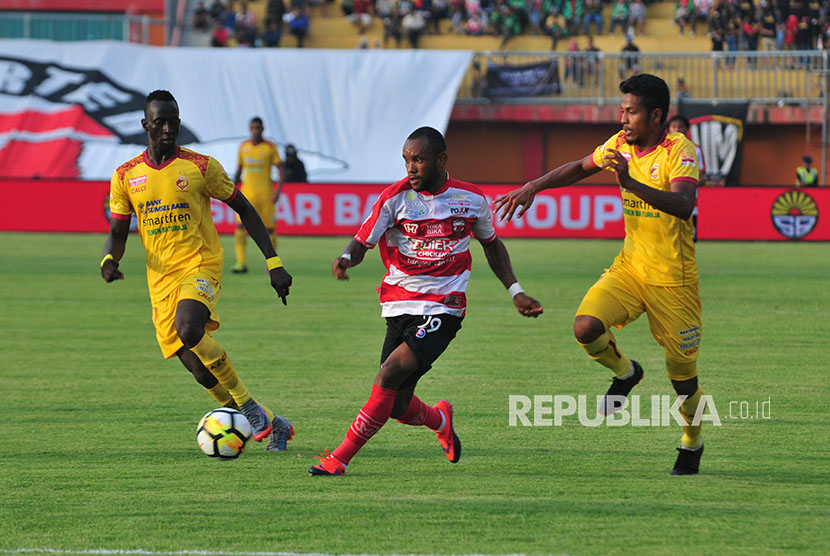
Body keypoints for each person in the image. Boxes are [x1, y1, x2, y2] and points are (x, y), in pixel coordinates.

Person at [495, 75, 708, 476]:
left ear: (656, 115)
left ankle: (692, 442)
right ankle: (626, 373)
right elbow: (579, 167)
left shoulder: (679, 149)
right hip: (630, 268)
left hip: (673, 281)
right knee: (585, 326)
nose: (623, 118)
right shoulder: (619, 144)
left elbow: (683, 203)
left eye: (631, 111)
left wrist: (630, 182)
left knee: (682, 379)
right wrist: (534, 186)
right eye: (622, 110)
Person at [309, 126, 543, 476]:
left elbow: (491, 245)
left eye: (418, 159)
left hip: (444, 306)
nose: (411, 167)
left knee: (388, 374)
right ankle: (439, 419)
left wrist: (516, 291)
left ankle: (339, 458)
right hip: (399, 304)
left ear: (440, 160)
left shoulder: (471, 199)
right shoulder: (395, 198)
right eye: (406, 160)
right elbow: (362, 241)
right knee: (397, 404)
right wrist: (345, 258)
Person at [100, 90, 294, 452]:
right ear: (146, 125)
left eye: (174, 121)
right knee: (201, 370)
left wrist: (273, 261)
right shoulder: (126, 175)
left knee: (189, 328)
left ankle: (250, 410)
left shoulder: (201, 167)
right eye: (160, 122)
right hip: (160, 281)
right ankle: (274, 423)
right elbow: (116, 231)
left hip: (200, 264)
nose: (169, 129)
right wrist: (109, 260)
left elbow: (245, 208)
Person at [232, 117, 285, 274]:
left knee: (268, 230)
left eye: (258, 128)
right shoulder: (243, 147)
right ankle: (241, 263)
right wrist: (232, 187)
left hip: (266, 195)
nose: (255, 130)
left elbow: (281, 170)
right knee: (240, 227)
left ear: (262, 129)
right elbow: (239, 170)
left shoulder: (270, 147)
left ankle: (272, 264)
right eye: (253, 127)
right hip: (247, 194)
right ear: (250, 129)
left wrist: (278, 190)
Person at [668, 114, 706, 241]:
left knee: (689, 238)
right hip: (665, 197)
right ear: (668, 129)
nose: (677, 130)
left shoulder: (695, 150)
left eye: (680, 127)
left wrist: (687, 183)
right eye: (674, 126)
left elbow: (702, 175)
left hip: (688, 199)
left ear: (686, 129)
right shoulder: (662, 149)